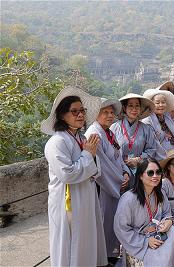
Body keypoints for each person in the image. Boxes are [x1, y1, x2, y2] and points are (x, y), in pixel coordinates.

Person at [40, 86, 107, 267]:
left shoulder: (81, 138)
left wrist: (91, 157)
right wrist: (88, 156)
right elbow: (67, 174)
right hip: (67, 202)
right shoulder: (57, 142)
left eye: (82, 111)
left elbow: (96, 169)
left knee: (84, 240)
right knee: (70, 244)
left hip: (85, 197)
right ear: (62, 115)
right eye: (74, 111)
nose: (80, 115)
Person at [114, 159, 174, 267]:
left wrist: (168, 221)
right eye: (150, 173)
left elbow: (167, 213)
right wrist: (145, 241)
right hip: (139, 243)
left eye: (158, 172)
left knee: (173, 231)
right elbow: (121, 229)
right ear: (140, 176)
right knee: (162, 258)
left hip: (159, 235)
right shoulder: (128, 199)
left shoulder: (160, 193)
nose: (155, 176)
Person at [85, 98, 130, 264]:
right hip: (104, 187)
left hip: (116, 182)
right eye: (105, 112)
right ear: (96, 114)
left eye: (112, 112)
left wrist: (126, 173)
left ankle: (110, 255)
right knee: (104, 222)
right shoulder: (94, 134)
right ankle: (103, 258)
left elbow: (118, 158)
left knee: (112, 221)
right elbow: (102, 165)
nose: (110, 115)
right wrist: (120, 181)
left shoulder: (109, 133)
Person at [110, 93, 157, 176]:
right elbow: (109, 151)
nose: (134, 109)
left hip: (140, 171)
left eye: (137, 106)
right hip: (118, 171)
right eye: (130, 106)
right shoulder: (114, 128)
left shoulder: (146, 129)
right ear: (124, 108)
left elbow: (151, 150)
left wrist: (138, 160)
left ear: (140, 109)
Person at [142, 89, 174, 160]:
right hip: (157, 159)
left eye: (163, 102)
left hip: (172, 157)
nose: (161, 105)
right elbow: (153, 144)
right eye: (157, 103)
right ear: (152, 105)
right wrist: (166, 158)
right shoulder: (148, 121)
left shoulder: (167, 119)